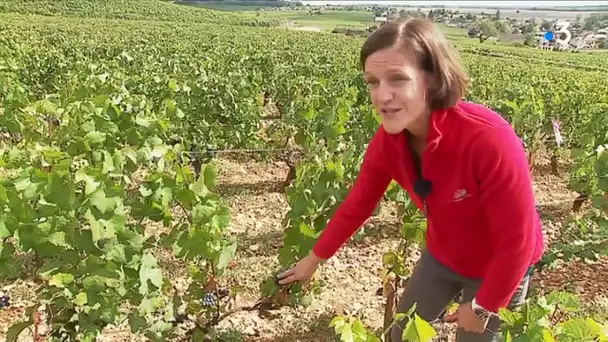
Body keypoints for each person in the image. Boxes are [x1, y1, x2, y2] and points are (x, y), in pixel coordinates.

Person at [276, 18, 544, 342]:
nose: (382, 95)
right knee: (401, 335)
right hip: (442, 256)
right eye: (372, 82)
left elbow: (518, 241)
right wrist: (314, 259)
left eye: (398, 80)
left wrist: (485, 305)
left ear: (431, 80)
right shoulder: (389, 142)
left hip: (500, 269)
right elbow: (358, 204)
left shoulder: (489, 139)